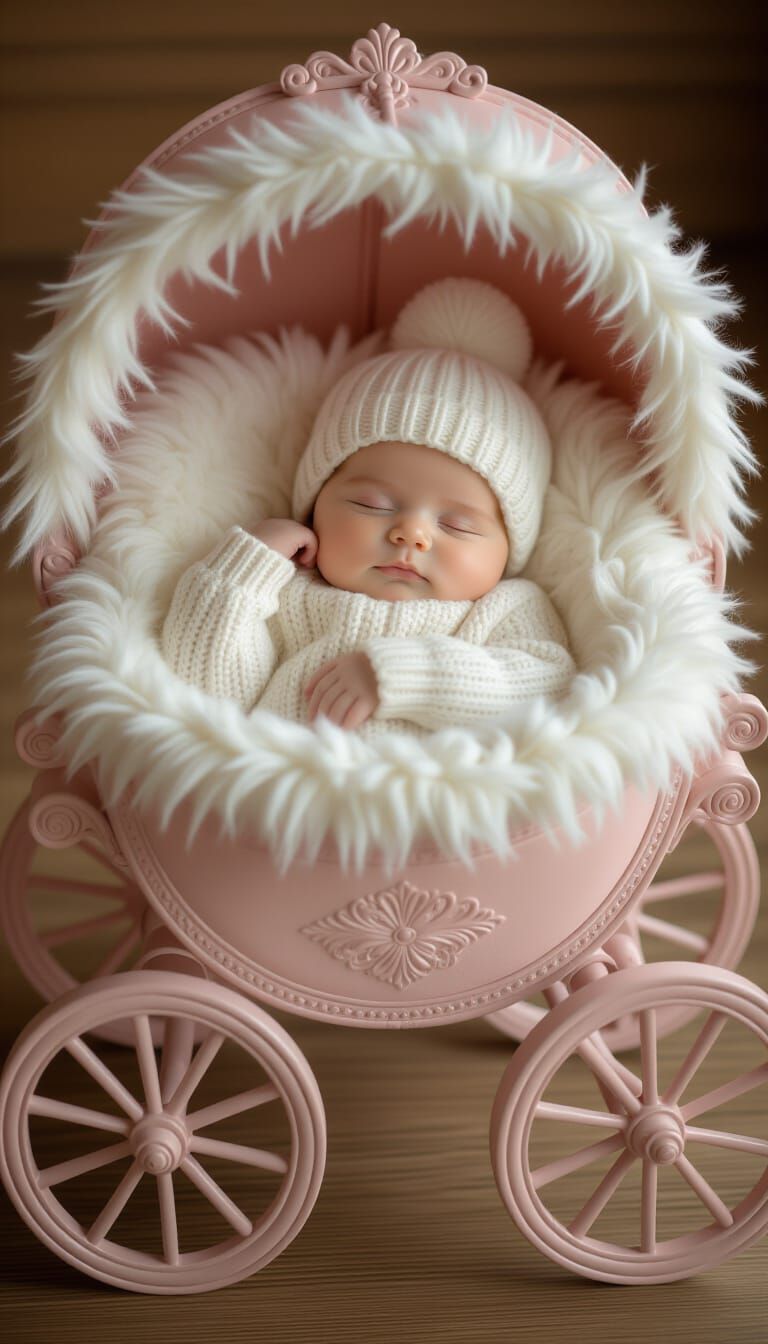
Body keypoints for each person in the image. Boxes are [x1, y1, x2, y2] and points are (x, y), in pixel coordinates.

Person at [161, 278, 575, 737]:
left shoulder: (503, 611)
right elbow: (204, 686)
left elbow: (547, 687)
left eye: (458, 526)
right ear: (315, 508)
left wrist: (404, 676)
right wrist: (244, 568)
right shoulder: (290, 596)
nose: (411, 534)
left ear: (509, 548)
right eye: (371, 504)